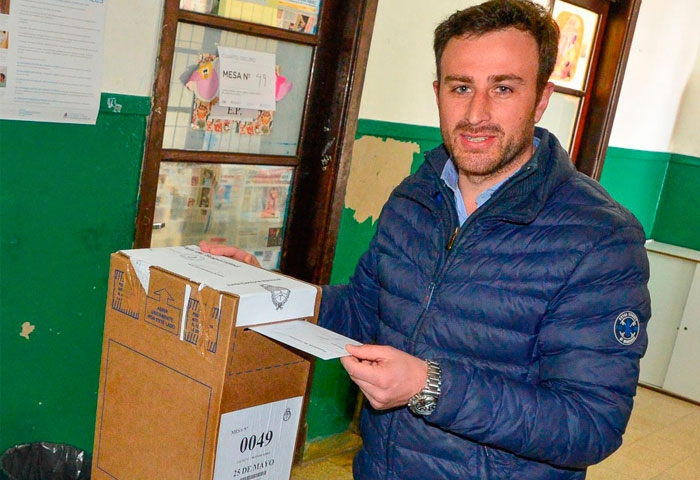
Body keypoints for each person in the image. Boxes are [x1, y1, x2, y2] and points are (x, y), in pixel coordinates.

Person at [201, 0, 651, 478]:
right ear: (438, 92)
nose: (476, 114)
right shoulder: (416, 195)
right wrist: (269, 292)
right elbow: (363, 310)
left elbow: (590, 423)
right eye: (461, 87)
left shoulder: (600, 237)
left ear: (542, 98)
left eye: (503, 88)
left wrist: (429, 387)